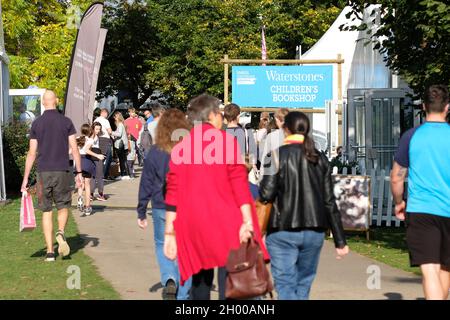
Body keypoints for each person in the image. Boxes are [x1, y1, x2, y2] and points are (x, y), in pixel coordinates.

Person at [163, 94, 269, 300]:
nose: (221, 116)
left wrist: (169, 233)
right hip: (226, 223)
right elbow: (240, 186)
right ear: (211, 115)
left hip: (193, 225)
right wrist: (247, 220)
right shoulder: (226, 142)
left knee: (199, 284)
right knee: (229, 282)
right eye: (219, 112)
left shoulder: (181, 147)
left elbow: (172, 193)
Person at [259, 111, 349, 300]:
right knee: (303, 284)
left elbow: (266, 194)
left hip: (282, 229)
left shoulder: (273, 156)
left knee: (285, 285)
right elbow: (329, 201)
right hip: (314, 229)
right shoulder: (320, 159)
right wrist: (340, 240)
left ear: (286, 129)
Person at [391, 84, 450, 300]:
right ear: (448, 107)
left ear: (424, 106)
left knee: (429, 268)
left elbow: (397, 176)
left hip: (422, 209)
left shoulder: (411, 136)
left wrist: (398, 202)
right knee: (445, 268)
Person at [20, 90, 82, 262]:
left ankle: (49, 252)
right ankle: (60, 232)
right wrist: (79, 173)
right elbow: (75, 149)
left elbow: (31, 153)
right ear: (56, 101)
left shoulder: (37, 124)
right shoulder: (66, 122)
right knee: (63, 206)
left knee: (46, 210)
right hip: (62, 170)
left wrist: (25, 179)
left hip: (43, 173)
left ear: (43, 102)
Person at [137, 108, 192, 300]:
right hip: (186, 205)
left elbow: (147, 182)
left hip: (161, 204)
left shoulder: (155, 152)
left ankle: (169, 277)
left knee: (161, 243)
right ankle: (183, 295)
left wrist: (141, 210)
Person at [76, 124, 104, 216]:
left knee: (80, 183)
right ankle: (87, 206)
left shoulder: (77, 138)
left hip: (78, 162)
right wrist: (97, 155)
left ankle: (80, 198)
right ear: (89, 131)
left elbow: (71, 150)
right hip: (87, 161)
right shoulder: (90, 140)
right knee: (87, 184)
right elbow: (86, 149)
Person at [224, 103, 257, 171]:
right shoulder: (246, 132)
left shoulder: (219, 133)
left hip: (224, 170)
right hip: (241, 169)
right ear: (238, 116)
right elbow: (252, 153)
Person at [259, 108, 289, 179]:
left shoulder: (272, 136)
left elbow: (265, 160)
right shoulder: (296, 135)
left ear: (277, 120)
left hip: (276, 177)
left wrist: (261, 180)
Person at [89, 122, 107, 201]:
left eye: (99, 129)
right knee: (98, 176)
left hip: (94, 155)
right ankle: (100, 194)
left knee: (94, 176)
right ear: (92, 128)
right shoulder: (92, 136)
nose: (98, 131)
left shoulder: (95, 136)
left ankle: (92, 194)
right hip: (96, 155)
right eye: (96, 129)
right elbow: (88, 148)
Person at [111, 112, 131, 180]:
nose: (114, 118)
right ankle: (124, 174)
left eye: (115, 117)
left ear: (118, 117)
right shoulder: (121, 124)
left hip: (120, 145)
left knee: (122, 160)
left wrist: (111, 132)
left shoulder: (120, 124)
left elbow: (119, 134)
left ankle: (124, 174)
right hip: (122, 144)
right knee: (123, 160)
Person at [95, 109, 113, 179]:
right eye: (107, 114)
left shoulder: (96, 120)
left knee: (100, 157)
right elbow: (110, 131)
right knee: (108, 157)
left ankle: (98, 174)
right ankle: (104, 175)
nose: (107, 115)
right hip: (105, 139)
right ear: (104, 113)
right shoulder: (105, 121)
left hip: (98, 139)